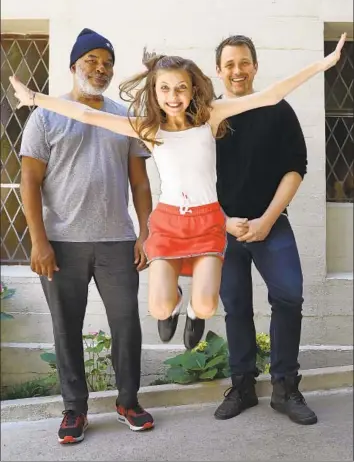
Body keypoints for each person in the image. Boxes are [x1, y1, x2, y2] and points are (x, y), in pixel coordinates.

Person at [11, 33, 346, 357]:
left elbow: (270, 95)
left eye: (181, 88)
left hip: (207, 221)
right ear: (155, 92)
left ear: (193, 89)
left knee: (207, 305)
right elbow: (87, 114)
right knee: (159, 307)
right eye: (165, 88)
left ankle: (195, 314)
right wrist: (35, 98)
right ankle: (173, 300)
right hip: (169, 223)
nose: (173, 97)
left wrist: (322, 65)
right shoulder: (147, 127)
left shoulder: (209, 117)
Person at [18, 28, 154, 444]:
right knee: (66, 328)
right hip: (61, 244)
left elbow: (140, 183)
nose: (101, 68)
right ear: (74, 65)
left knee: (127, 324)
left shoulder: (122, 117)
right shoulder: (46, 114)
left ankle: (127, 401)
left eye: (107, 63)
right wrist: (38, 242)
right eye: (92, 60)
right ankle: (74, 409)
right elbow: (29, 180)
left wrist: (145, 233)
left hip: (117, 241)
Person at [213, 35, 322, 425]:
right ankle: (243, 386)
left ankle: (284, 388)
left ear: (255, 67)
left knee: (289, 297)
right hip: (222, 228)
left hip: (270, 222)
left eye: (244, 63)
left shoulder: (277, 109)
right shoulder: (208, 116)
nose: (237, 71)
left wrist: (267, 220)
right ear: (218, 70)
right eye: (229, 64)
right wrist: (224, 220)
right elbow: (190, 176)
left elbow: (296, 167)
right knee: (236, 306)